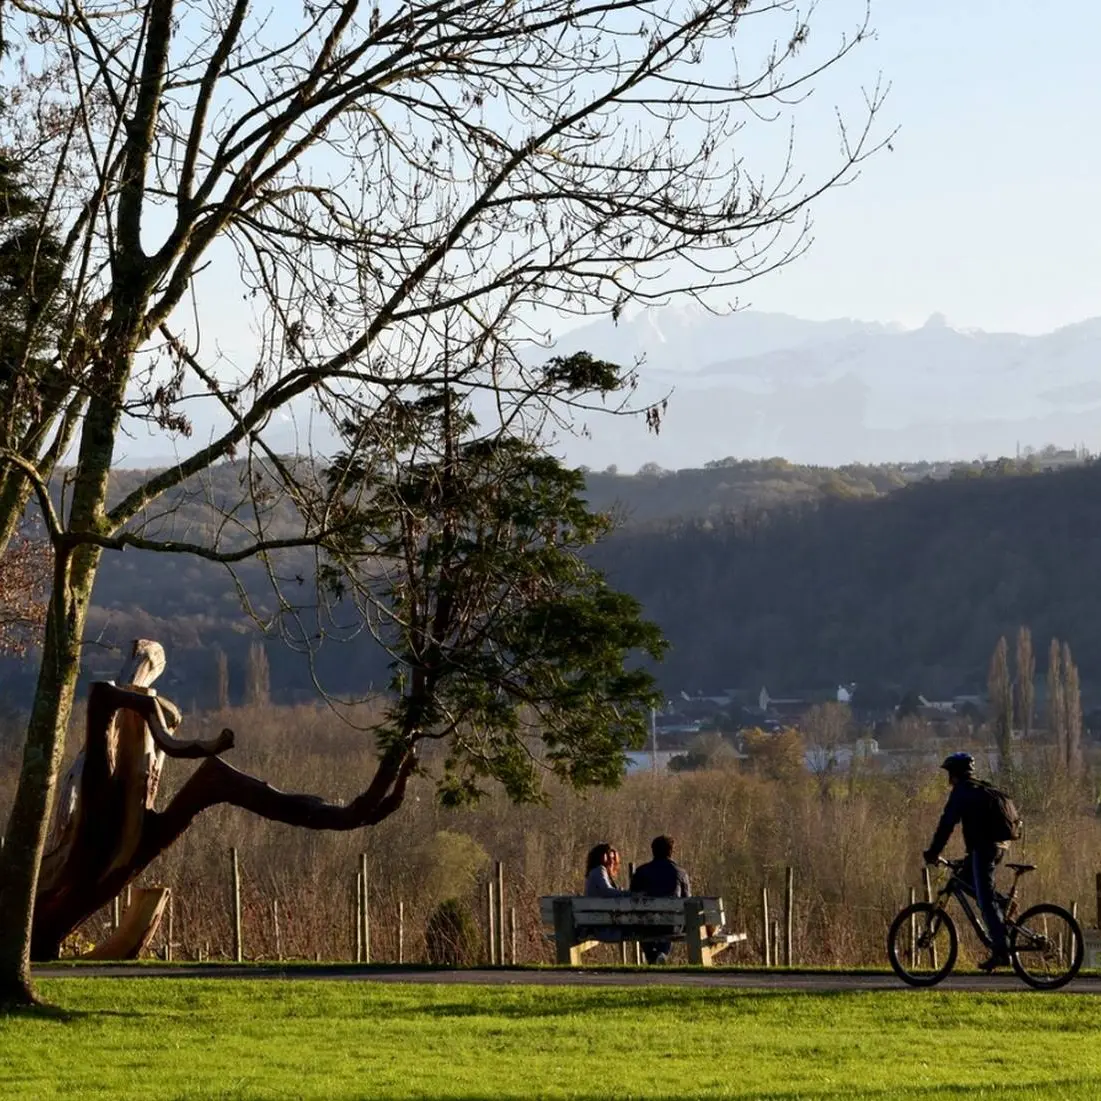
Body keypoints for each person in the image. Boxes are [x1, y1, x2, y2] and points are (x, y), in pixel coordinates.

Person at [922, 752, 1012, 972]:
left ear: (955, 774)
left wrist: (933, 852)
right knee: (964, 878)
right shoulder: (980, 787)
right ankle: (1002, 902)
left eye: (949, 774)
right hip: (995, 846)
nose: (948, 779)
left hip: (984, 849)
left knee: (985, 900)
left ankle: (1001, 951)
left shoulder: (961, 793)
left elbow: (946, 825)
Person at [629, 835, 691, 964]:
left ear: (653, 851)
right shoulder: (680, 873)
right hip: (671, 925)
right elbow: (688, 902)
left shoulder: (641, 872)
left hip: (646, 923)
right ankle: (661, 953)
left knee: (641, 922)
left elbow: (632, 899)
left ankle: (652, 956)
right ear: (671, 851)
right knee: (671, 919)